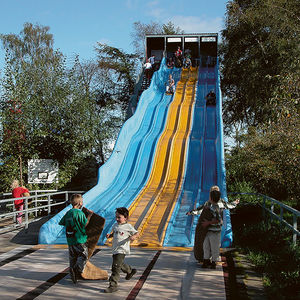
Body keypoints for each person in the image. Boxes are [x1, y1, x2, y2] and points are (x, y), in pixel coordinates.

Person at [186, 186, 239, 269]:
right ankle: (206, 260)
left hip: (215, 230)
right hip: (208, 230)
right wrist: (192, 212)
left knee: (214, 246)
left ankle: (213, 261)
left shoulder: (220, 204)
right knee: (206, 245)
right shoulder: (209, 204)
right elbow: (200, 209)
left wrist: (234, 203)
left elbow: (226, 209)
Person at [59, 193, 93, 284]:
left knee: (72, 257)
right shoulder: (80, 213)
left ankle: (72, 272)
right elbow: (85, 224)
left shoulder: (68, 213)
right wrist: (89, 216)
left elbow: (62, 222)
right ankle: (76, 269)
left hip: (70, 240)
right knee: (83, 255)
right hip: (80, 239)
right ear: (80, 203)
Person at [104, 207, 139, 293]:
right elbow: (115, 233)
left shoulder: (128, 226)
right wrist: (110, 236)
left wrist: (133, 236)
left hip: (122, 249)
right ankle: (130, 271)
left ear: (125, 217)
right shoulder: (115, 225)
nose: (117, 219)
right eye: (116, 217)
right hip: (115, 248)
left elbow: (137, 233)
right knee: (119, 264)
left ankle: (113, 285)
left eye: (119, 217)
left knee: (115, 267)